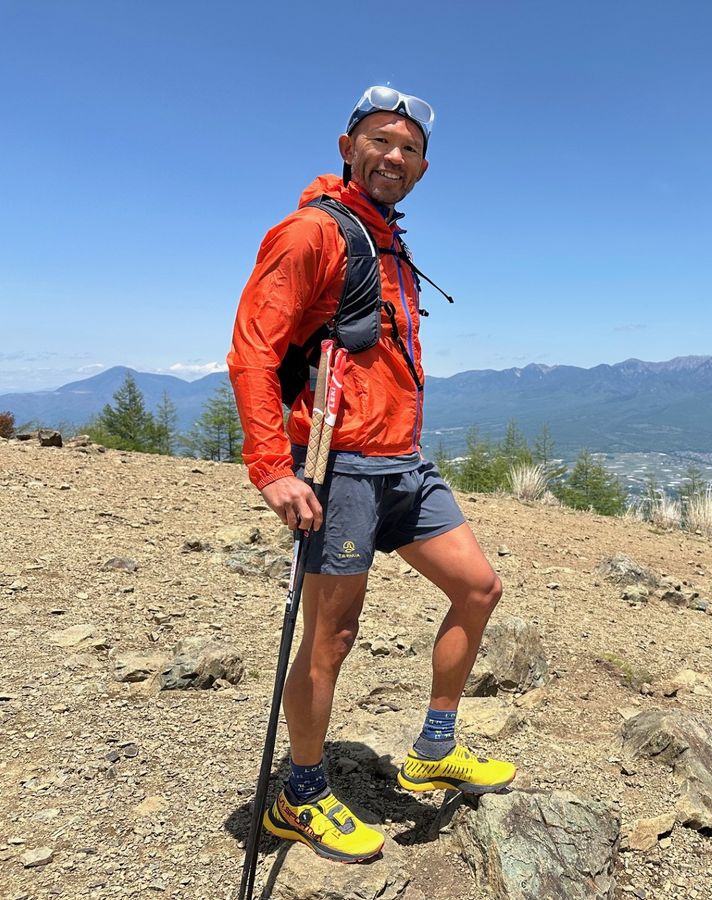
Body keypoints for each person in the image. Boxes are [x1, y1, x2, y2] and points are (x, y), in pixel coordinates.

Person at [228, 85, 515, 864]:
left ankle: (434, 743)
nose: (395, 155)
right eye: (382, 141)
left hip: (402, 463)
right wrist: (271, 471)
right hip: (339, 466)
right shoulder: (311, 232)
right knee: (332, 635)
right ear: (348, 144)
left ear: (424, 166)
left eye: (410, 148)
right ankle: (301, 792)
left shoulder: (387, 239)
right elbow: (253, 350)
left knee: (479, 588)